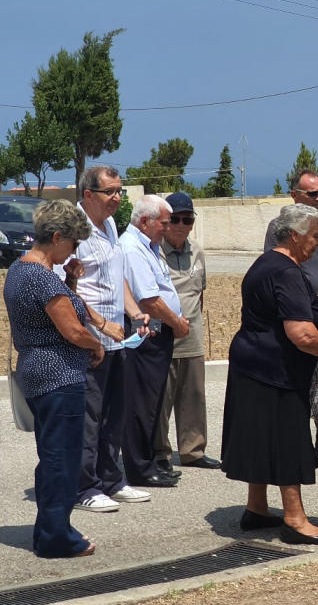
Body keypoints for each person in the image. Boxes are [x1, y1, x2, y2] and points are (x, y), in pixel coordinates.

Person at [223, 204, 318, 545]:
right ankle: (295, 519)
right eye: (314, 236)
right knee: (287, 440)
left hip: (252, 364)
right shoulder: (286, 272)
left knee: (261, 437)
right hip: (274, 370)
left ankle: (257, 507)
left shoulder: (266, 264)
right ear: (295, 237)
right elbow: (302, 336)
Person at [5, 200, 106, 557]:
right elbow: (72, 330)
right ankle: (55, 537)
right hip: (58, 377)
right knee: (61, 460)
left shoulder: (20, 269)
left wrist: (72, 279)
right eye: (73, 243)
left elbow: (55, 310)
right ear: (57, 236)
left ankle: (51, 527)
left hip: (36, 371)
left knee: (51, 455)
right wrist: (96, 345)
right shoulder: (41, 278)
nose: (73, 250)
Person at [62, 166, 151, 513]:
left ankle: (112, 480)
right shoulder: (73, 231)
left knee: (115, 415)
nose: (117, 198)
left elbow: (117, 279)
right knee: (89, 417)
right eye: (110, 192)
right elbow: (65, 291)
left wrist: (134, 312)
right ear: (88, 195)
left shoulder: (112, 225)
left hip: (117, 339)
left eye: (120, 191)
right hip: (89, 341)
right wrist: (98, 325)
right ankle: (85, 486)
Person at [264, 169, 318, 461]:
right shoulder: (280, 227)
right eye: (313, 193)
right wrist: (310, 300)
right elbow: (280, 266)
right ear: (294, 195)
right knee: (300, 371)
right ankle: (297, 436)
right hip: (299, 309)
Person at [120, 195, 191, 489]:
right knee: (141, 403)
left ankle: (148, 463)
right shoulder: (133, 248)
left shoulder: (146, 246)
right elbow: (148, 299)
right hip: (147, 331)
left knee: (152, 402)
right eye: (165, 222)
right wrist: (177, 323)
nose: (169, 227)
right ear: (146, 221)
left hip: (159, 331)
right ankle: (139, 468)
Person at [154, 192, 219, 471]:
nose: (181, 225)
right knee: (160, 399)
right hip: (161, 337)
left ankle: (193, 450)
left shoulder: (198, 251)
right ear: (165, 222)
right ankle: (159, 453)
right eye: (176, 219)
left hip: (191, 336)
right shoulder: (153, 252)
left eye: (187, 219)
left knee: (193, 396)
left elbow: (199, 293)